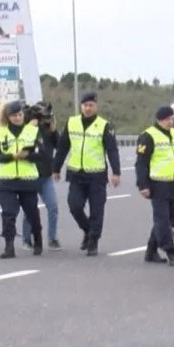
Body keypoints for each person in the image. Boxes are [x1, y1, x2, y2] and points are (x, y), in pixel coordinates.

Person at [53, 91, 120, 256]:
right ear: (80, 106)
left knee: (97, 210)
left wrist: (116, 172)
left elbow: (112, 150)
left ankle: (93, 242)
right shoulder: (72, 122)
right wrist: (56, 168)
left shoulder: (104, 125)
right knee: (74, 205)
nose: (88, 108)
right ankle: (88, 229)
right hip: (76, 173)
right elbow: (63, 147)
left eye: (91, 105)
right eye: (85, 105)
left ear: (96, 106)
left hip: (97, 175)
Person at [0, 101, 46, 259]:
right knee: (8, 213)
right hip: (5, 179)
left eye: (20, 114)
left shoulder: (33, 131)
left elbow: (43, 154)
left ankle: (38, 240)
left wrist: (27, 155)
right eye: (14, 115)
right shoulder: (0, 132)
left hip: (27, 179)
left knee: (32, 212)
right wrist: (10, 157)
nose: (17, 117)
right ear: (8, 117)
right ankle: (9, 246)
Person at [136, 105, 174, 267]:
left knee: (170, 220)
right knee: (162, 219)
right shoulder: (148, 136)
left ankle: (151, 251)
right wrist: (142, 184)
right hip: (158, 184)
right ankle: (171, 252)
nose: (173, 121)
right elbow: (141, 163)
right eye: (170, 119)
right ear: (162, 119)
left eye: (173, 118)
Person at [20, 102, 61, 251]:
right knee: (29, 210)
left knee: (53, 207)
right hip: (30, 175)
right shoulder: (27, 128)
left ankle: (52, 238)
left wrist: (54, 129)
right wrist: (30, 126)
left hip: (45, 175)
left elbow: (60, 146)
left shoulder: (47, 129)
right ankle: (26, 239)